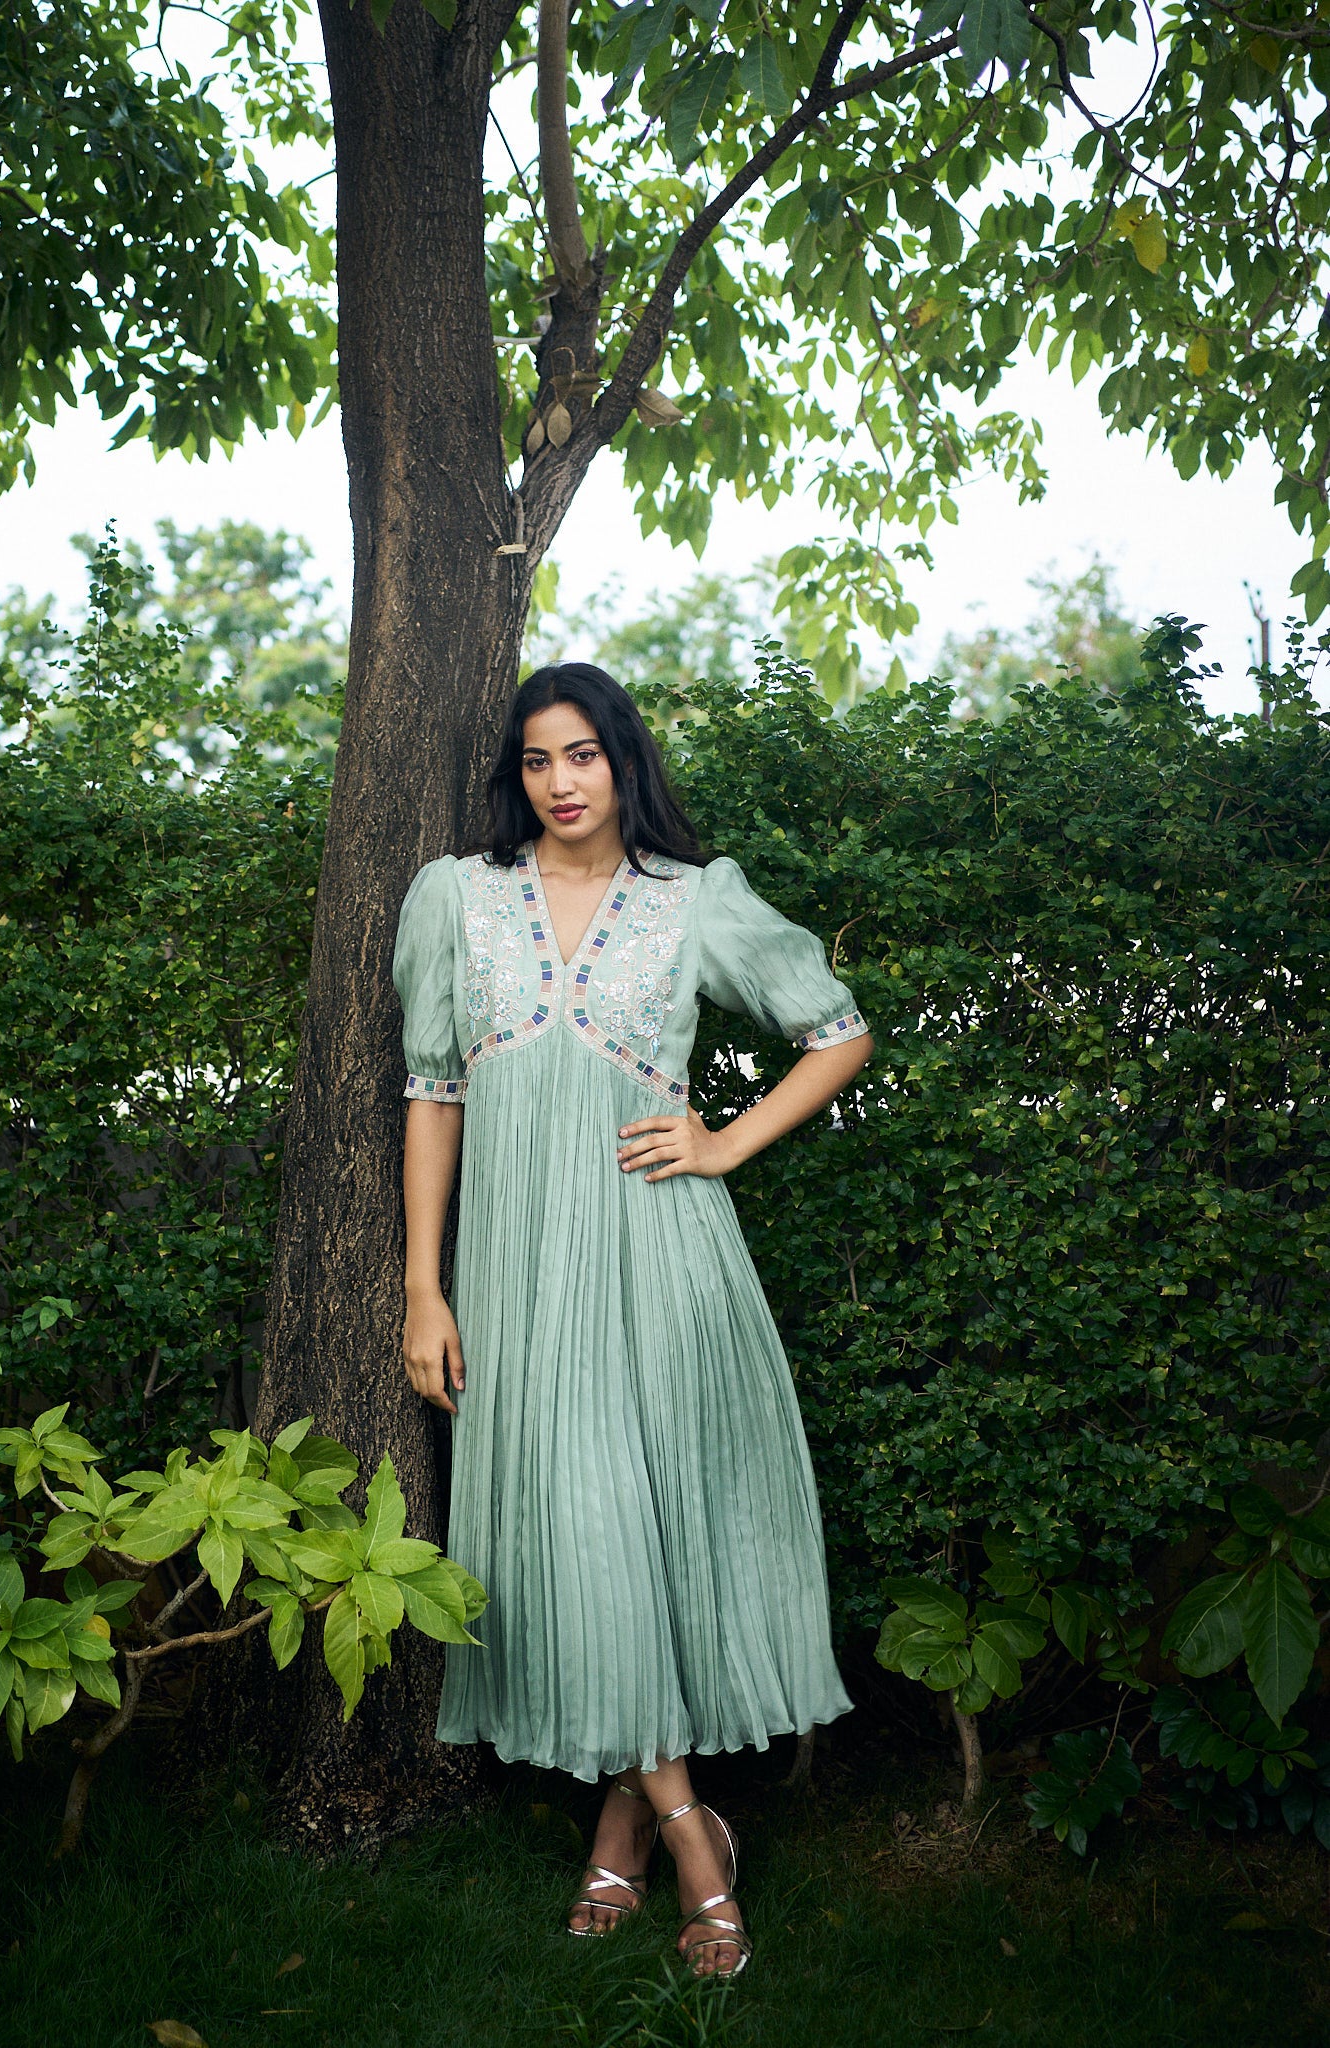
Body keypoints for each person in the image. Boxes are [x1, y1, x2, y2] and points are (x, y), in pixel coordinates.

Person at [394, 661, 872, 1979]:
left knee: (639, 1536)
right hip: (516, 1276)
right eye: (540, 759)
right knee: (579, 1535)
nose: (561, 782)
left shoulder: (690, 902)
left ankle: (638, 1822)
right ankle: (685, 1825)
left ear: (622, 763)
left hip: (659, 1261)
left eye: (585, 755)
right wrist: (423, 1285)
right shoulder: (458, 900)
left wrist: (725, 1144)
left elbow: (834, 1034)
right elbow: (433, 1095)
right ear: (518, 774)